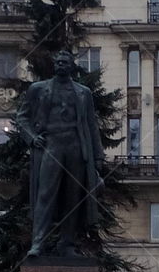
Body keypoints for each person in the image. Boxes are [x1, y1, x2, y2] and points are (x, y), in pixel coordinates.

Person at [16, 50, 105, 258]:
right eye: (58, 62)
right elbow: (22, 118)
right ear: (54, 65)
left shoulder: (83, 93)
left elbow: (92, 126)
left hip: (76, 147)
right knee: (45, 195)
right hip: (51, 145)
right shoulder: (38, 89)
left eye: (65, 62)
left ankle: (67, 244)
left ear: (72, 66)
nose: (61, 65)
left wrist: (98, 156)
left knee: (72, 198)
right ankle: (38, 243)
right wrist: (31, 137)